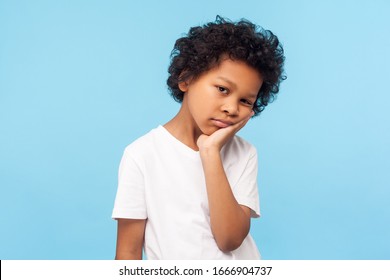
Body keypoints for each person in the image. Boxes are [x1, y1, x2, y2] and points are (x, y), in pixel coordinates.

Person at [112, 16, 285, 260]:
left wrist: (210, 152)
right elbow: (128, 253)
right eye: (223, 89)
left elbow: (229, 239)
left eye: (245, 101)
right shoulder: (142, 155)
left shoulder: (244, 153)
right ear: (186, 79)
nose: (232, 108)